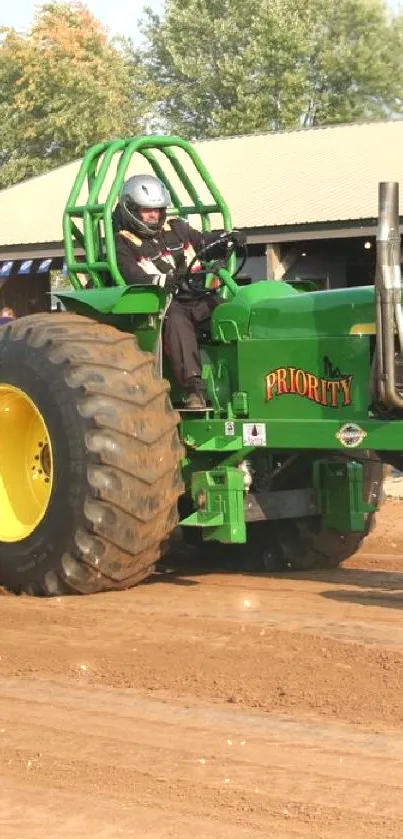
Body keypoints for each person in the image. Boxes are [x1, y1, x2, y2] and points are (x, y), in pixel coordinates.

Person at [113, 174, 245, 409]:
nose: (154, 215)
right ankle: (194, 389)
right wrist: (163, 281)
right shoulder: (124, 241)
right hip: (163, 303)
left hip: (197, 297)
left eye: (158, 209)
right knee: (177, 319)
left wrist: (228, 238)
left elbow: (204, 241)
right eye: (146, 210)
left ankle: (245, 380)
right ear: (131, 209)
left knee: (231, 313)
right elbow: (131, 274)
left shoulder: (177, 228)